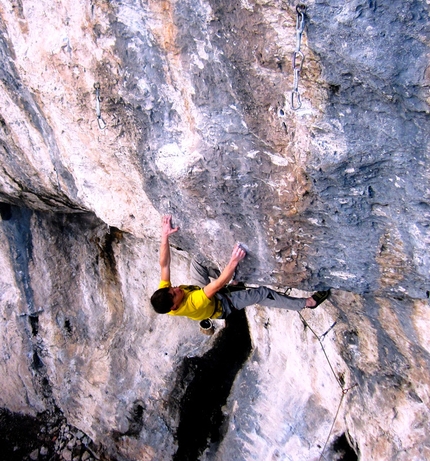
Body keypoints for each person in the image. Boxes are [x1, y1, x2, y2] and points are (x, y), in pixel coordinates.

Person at [150, 215, 330, 321]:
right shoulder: (193, 302)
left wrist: (164, 236)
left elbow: (164, 264)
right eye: (174, 294)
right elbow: (218, 285)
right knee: (261, 293)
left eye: (171, 289)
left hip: (207, 293)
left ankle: (235, 281)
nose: (175, 288)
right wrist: (233, 261)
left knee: (198, 261)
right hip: (222, 306)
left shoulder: (165, 295)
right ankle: (307, 303)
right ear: (174, 307)